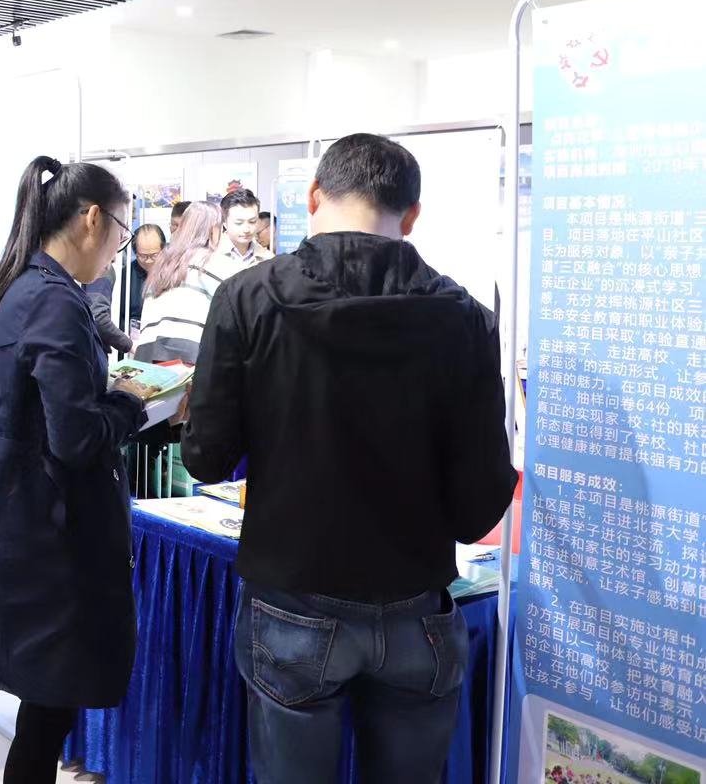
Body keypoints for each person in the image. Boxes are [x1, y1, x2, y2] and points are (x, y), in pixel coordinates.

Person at [182, 133, 516, 784]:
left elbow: (207, 457)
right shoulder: (466, 317)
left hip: (293, 599)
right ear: (411, 215)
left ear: (313, 196)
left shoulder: (247, 298)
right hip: (416, 607)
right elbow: (480, 504)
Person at [0, 156, 147, 784]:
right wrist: (130, 404)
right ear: (93, 219)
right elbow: (75, 437)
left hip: (29, 524)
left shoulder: (23, 289)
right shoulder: (54, 301)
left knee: (43, 715)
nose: (119, 248)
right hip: (55, 539)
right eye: (122, 231)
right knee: (46, 716)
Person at [133, 201, 222, 365]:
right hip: (189, 354)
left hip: (147, 352)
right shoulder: (213, 262)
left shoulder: (163, 262)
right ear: (213, 229)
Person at [204, 187, 272, 281]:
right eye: (239, 223)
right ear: (225, 223)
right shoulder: (209, 255)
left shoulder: (268, 258)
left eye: (252, 221)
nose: (247, 229)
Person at [126, 223, 166, 327]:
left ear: (163, 250)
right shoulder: (127, 276)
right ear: (135, 252)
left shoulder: (173, 273)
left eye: (154, 255)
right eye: (143, 256)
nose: (148, 261)